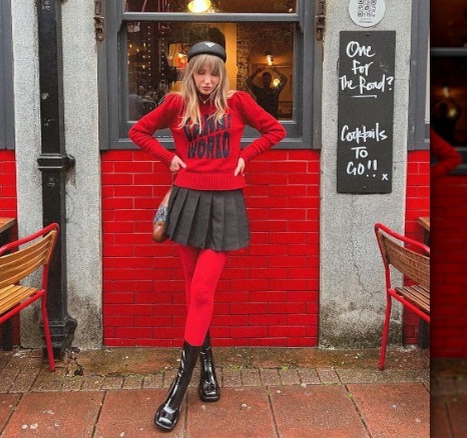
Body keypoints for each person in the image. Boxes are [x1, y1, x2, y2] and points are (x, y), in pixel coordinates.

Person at [129, 41, 285, 432]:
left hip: (226, 201)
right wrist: (170, 158)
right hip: (187, 199)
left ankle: (177, 390)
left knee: (202, 292)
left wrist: (246, 157)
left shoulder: (239, 102)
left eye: (214, 72)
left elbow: (275, 129)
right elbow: (138, 131)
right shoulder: (175, 104)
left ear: (222, 74)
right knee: (193, 289)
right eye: (200, 72)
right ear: (190, 72)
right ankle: (208, 367)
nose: (207, 80)